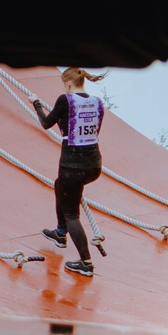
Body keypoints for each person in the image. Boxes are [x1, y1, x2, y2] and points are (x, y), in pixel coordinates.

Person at [29, 67, 104, 277]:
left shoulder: (65, 100)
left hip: (72, 166)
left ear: (68, 84)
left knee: (72, 214)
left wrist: (35, 103)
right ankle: (60, 233)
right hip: (94, 165)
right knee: (58, 184)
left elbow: (46, 123)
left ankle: (86, 263)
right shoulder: (97, 102)